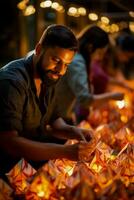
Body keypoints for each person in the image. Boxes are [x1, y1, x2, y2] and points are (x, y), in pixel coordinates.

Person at [0, 24, 93, 181]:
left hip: (27, 170)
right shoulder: (12, 82)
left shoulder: (48, 77)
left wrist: (75, 132)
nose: (61, 70)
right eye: (56, 60)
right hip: (6, 174)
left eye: (66, 65)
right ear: (38, 49)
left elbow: (55, 123)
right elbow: (9, 142)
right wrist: (65, 151)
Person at [54, 25, 124, 123]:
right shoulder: (77, 61)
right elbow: (84, 99)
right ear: (90, 47)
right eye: (100, 53)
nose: (100, 58)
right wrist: (112, 96)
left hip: (60, 116)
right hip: (56, 118)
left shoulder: (77, 57)